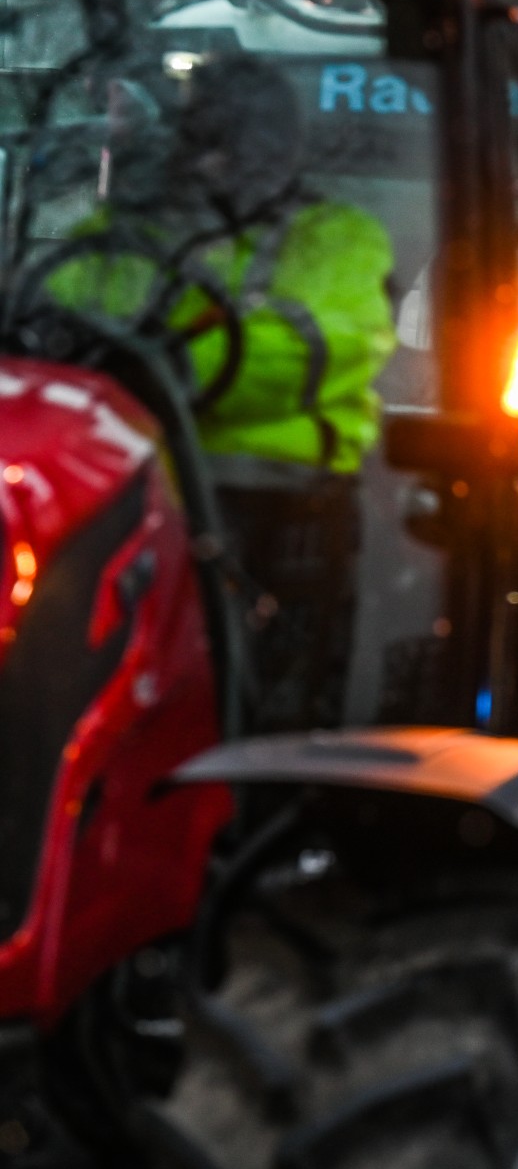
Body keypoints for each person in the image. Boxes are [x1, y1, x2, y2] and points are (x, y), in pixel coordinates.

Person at [45, 52, 397, 733]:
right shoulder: (126, 237)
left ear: (273, 148)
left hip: (273, 507)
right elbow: (61, 310)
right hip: (129, 494)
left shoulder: (334, 239)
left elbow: (321, 343)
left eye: (230, 141)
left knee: (253, 702)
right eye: (198, 138)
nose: (210, 161)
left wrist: (175, 365)